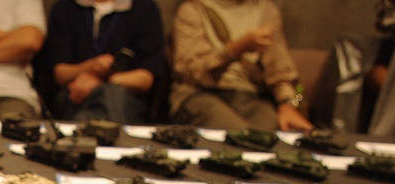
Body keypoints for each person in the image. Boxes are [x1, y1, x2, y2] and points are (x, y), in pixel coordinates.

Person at [169, 0, 313, 132]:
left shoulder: (264, 9)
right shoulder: (193, 10)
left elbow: (278, 65)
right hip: (199, 95)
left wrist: (287, 104)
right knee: (241, 136)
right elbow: (191, 73)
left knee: (276, 137)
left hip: (248, 96)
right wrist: (237, 49)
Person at [40, 0, 168, 124]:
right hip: (75, 94)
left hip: (124, 97)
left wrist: (103, 81)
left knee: (112, 94)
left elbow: (144, 79)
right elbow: (61, 74)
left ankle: (86, 135)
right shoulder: (65, 7)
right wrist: (91, 67)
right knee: (79, 102)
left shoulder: (144, 8)